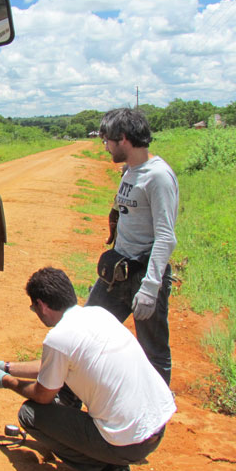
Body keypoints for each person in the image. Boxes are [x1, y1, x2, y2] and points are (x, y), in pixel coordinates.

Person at [0, 267, 176, 471]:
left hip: (131, 442)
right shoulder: (97, 314)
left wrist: (7, 382)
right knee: (60, 391)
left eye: (33, 307)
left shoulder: (58, 338)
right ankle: (106, 456)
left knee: (30, 415)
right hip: (157, 425)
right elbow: (51, 364)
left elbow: (43, 395)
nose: (35, 311)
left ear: (43, 305)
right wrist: (6, 366)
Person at [88, 108, 179, 384]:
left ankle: (154, 424)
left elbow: (165, 236)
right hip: (117, 273)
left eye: (108, 141)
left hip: (143, 275)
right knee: (88, 334)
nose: (106, 148)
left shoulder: (158, 177)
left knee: (153, 353)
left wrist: (150, 288)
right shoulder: (130, 171)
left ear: (123, 139)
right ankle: (67, 398)